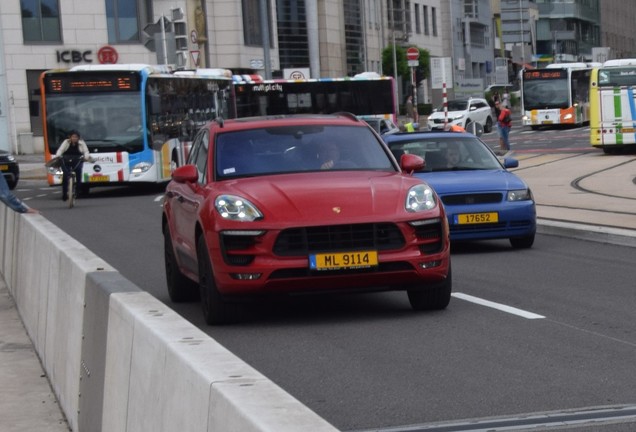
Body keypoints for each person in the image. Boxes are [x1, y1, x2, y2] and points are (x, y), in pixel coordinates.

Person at [55, 130, 91, 201]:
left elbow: (86, 151)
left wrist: (86, 157)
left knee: (78, 173)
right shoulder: (66, 142)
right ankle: (64, 194)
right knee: (65, 176)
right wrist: (58, 156)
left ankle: (77, 191)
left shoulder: (81, 143)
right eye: (73, 137)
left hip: (77, 159)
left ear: (78, 138)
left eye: (76, 137)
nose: (74, 138)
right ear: (70, 137)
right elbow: (60, 150)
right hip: (66, 159)